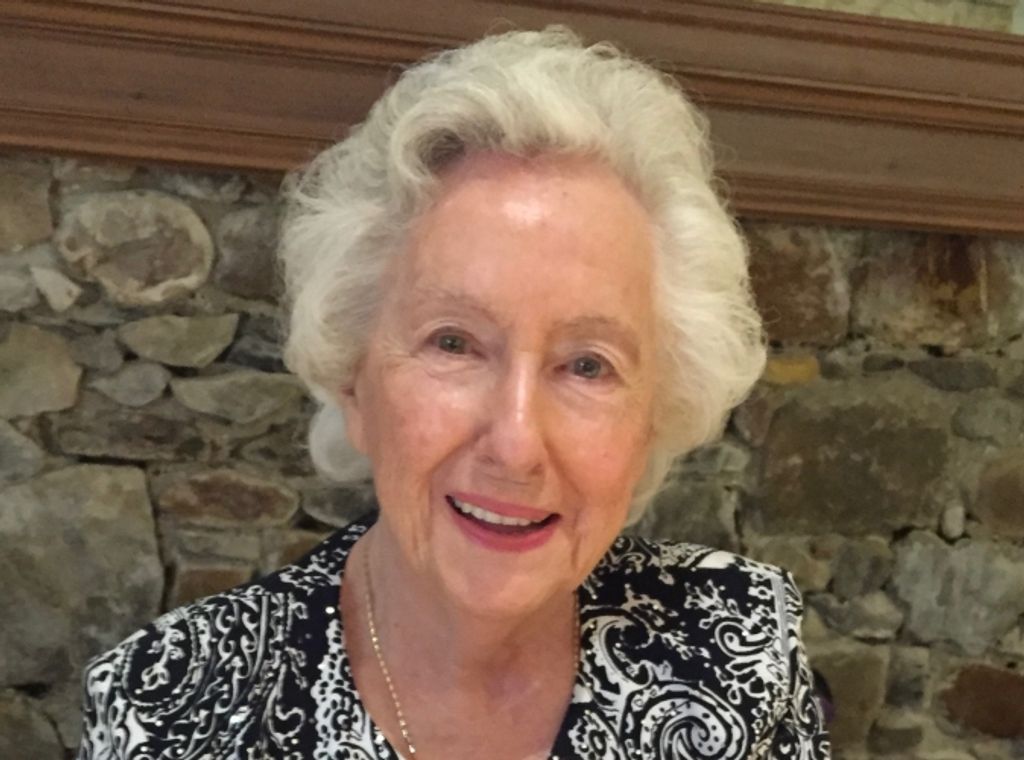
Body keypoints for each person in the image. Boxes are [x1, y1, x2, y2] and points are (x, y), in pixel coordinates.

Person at [77, 27, 830, 760]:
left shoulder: (740, 654)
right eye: (454, 343)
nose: (516, 443)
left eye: (587, 366)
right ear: (353, 380)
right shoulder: (166, 714)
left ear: (654, 415)